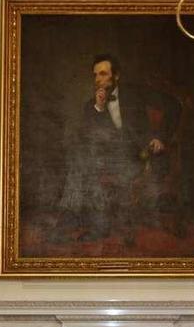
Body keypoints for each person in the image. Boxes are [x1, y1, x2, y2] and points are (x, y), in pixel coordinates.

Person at [59, 53, 181, 244]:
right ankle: (79, 220)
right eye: (95, 75)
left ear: (116, 76)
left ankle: (82, 223)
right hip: (107, 159)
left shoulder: (136, 93)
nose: (97, 79)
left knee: (84, 163)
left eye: (103, 74)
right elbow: (89, 137)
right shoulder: (91, 106)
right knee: (81, 160)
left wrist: (160, 137)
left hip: (139, 156)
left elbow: (174, 105)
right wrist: (99, 108)